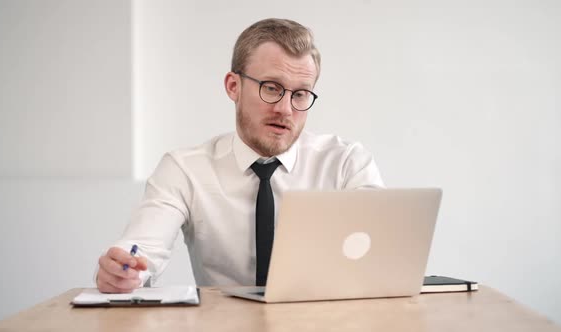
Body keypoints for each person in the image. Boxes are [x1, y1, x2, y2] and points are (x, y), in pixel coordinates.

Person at [96, 18, 384, 293]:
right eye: (271, 88)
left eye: (300, 94)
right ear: (234, 86)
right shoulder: (184, 170)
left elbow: (382, 257)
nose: (285, 109)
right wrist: (122, 272)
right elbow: (142, 250)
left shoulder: (347, 164)